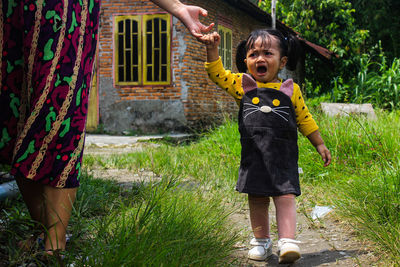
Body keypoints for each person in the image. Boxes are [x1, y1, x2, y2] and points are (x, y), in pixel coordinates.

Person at [0, 0, 213, 256]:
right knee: (13, 117)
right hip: (12, 11)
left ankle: (54, 247)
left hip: (63, 11)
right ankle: (42, 230)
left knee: (57, 113)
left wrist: (176, 7)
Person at [200, 28, 331, 264]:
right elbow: (217, 74)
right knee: (257, 199)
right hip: (255, 158)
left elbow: (304, 119)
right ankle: (261, 241)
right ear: (246, 61)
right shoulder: (242, 85)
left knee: (285, 197)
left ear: (282, 62)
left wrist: (319, 144)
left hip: (284, 158)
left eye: (267, 53)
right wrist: (211, 49)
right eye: (253, 54)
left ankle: (288, 241)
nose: (260, 59)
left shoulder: (291, 91)